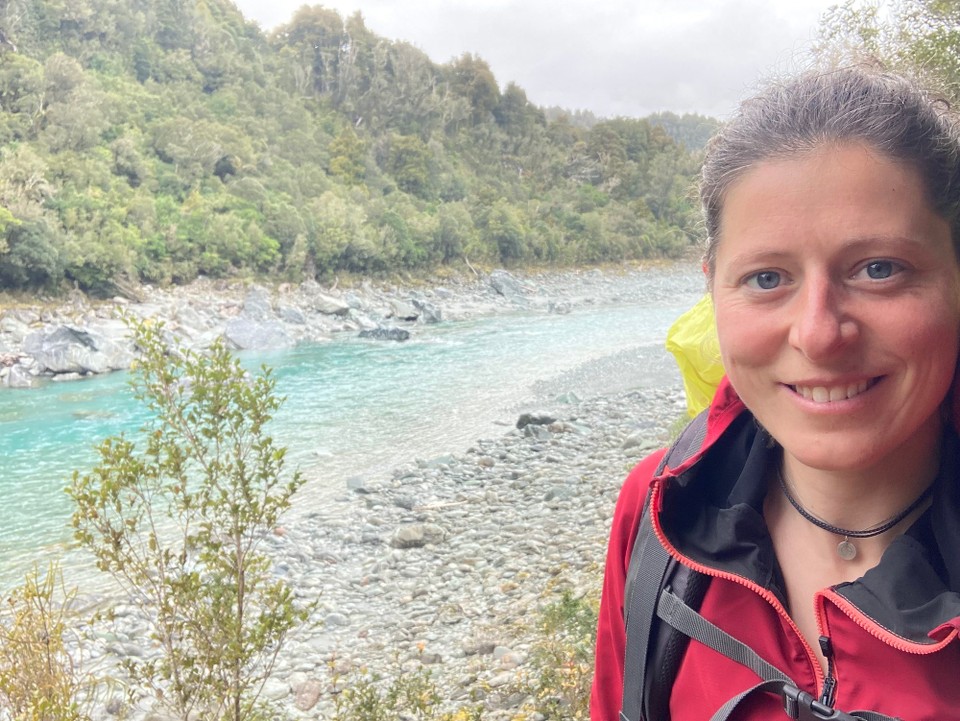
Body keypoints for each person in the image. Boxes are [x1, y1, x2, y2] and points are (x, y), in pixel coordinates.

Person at [591, 63, 960, 721]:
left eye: (880, 269)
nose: (818, 334)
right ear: (712, 288)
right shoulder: (659, 507)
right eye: (767, 278)